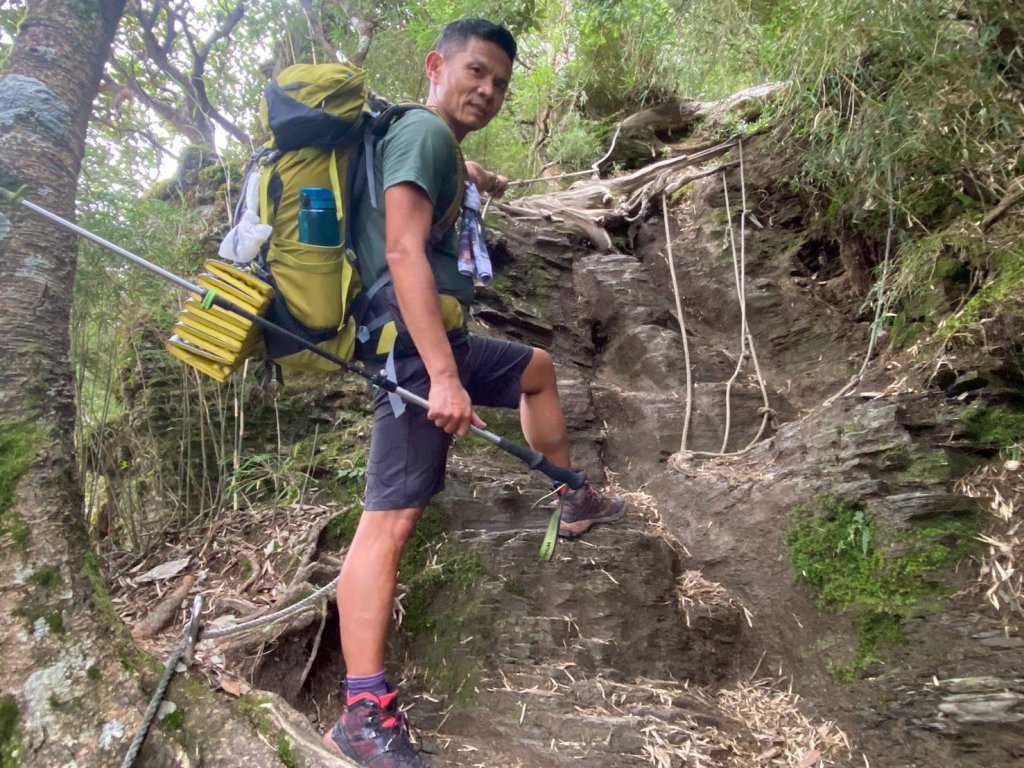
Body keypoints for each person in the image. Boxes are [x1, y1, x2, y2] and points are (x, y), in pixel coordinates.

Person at [321, 19, 625, 767]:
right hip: (412, 352)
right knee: (387, 521)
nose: (487, 90)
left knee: (536, 369)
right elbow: (400, 248)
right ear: (438, 65)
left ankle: (570, 496)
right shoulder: (423, 133)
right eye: (477, 72)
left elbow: (425, 199)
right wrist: (447, 378)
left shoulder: (430, 141)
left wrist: (476, 175)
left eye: (500, 84)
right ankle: (362, 710)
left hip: (438, 340)